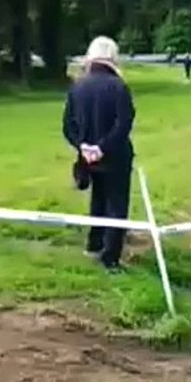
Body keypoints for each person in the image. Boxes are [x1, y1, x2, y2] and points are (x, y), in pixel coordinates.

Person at [62, 36, 135, 273]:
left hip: (88, 158)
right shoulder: (119, 87)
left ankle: (94, 243)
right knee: (116, 205)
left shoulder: (78, 86)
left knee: (98, 198)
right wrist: (102, 147)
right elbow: (123, 124)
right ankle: (110, 256)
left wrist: (83, 146)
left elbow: (68, 125)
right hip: (115, 157)